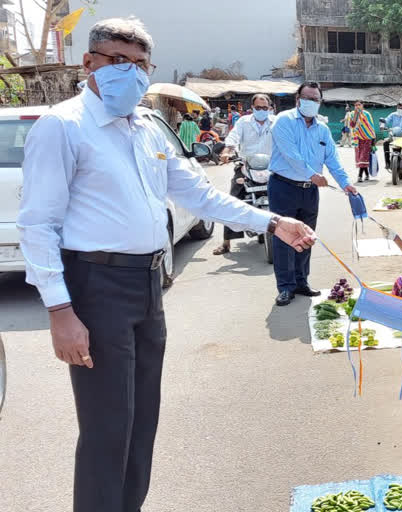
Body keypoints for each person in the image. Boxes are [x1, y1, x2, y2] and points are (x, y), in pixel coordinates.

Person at [16, 17, 316, 512]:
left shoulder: (145, 127)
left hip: (147, 283)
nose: (129, 73)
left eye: (139, 64)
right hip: (95, 285)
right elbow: (38, 224)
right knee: (107, 427)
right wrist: (59, 311)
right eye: (117, 60)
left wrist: (272, 221)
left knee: (140, 423)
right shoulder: (64, 127)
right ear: (89, 62)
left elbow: (198, 195)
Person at [269, 81, 357, 306]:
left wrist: (346, 183)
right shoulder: (284, 121)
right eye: (306, 98)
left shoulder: (323, 129)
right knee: (283, 238)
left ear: (320, 102)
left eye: (315, 99)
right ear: (298, 99)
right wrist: (312, 175)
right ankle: (286, 287)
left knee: (306, 237)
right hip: (284, 187)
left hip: (309, 192)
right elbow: (291, 155)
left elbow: (332, 159)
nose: (311, 102)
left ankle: (301, 282)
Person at [213, 93, 276, 255]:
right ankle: (226, 242)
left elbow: (286, 139)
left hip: (272, 167)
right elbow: (233, 137)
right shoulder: (243, 122)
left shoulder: (276, 122)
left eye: (264, 108)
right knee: (233, 200)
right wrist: (227, 151)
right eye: (258, 108)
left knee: (287, 197)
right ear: (252, 108)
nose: (261, 110)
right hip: (246, 166)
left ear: (269, 108)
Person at [349, 100, 375, 183]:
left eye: (359, 105)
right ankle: (366, 174)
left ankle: (360, 176)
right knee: (360, 157)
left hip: (367, 138)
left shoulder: (367, 114)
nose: (357, 106)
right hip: (357, 138)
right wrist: (356, 115)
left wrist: (373, 141)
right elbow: (352, 125)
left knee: (363, 157)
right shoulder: (352, 114)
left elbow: (370, 127)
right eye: (356, 105)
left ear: (362, 105)